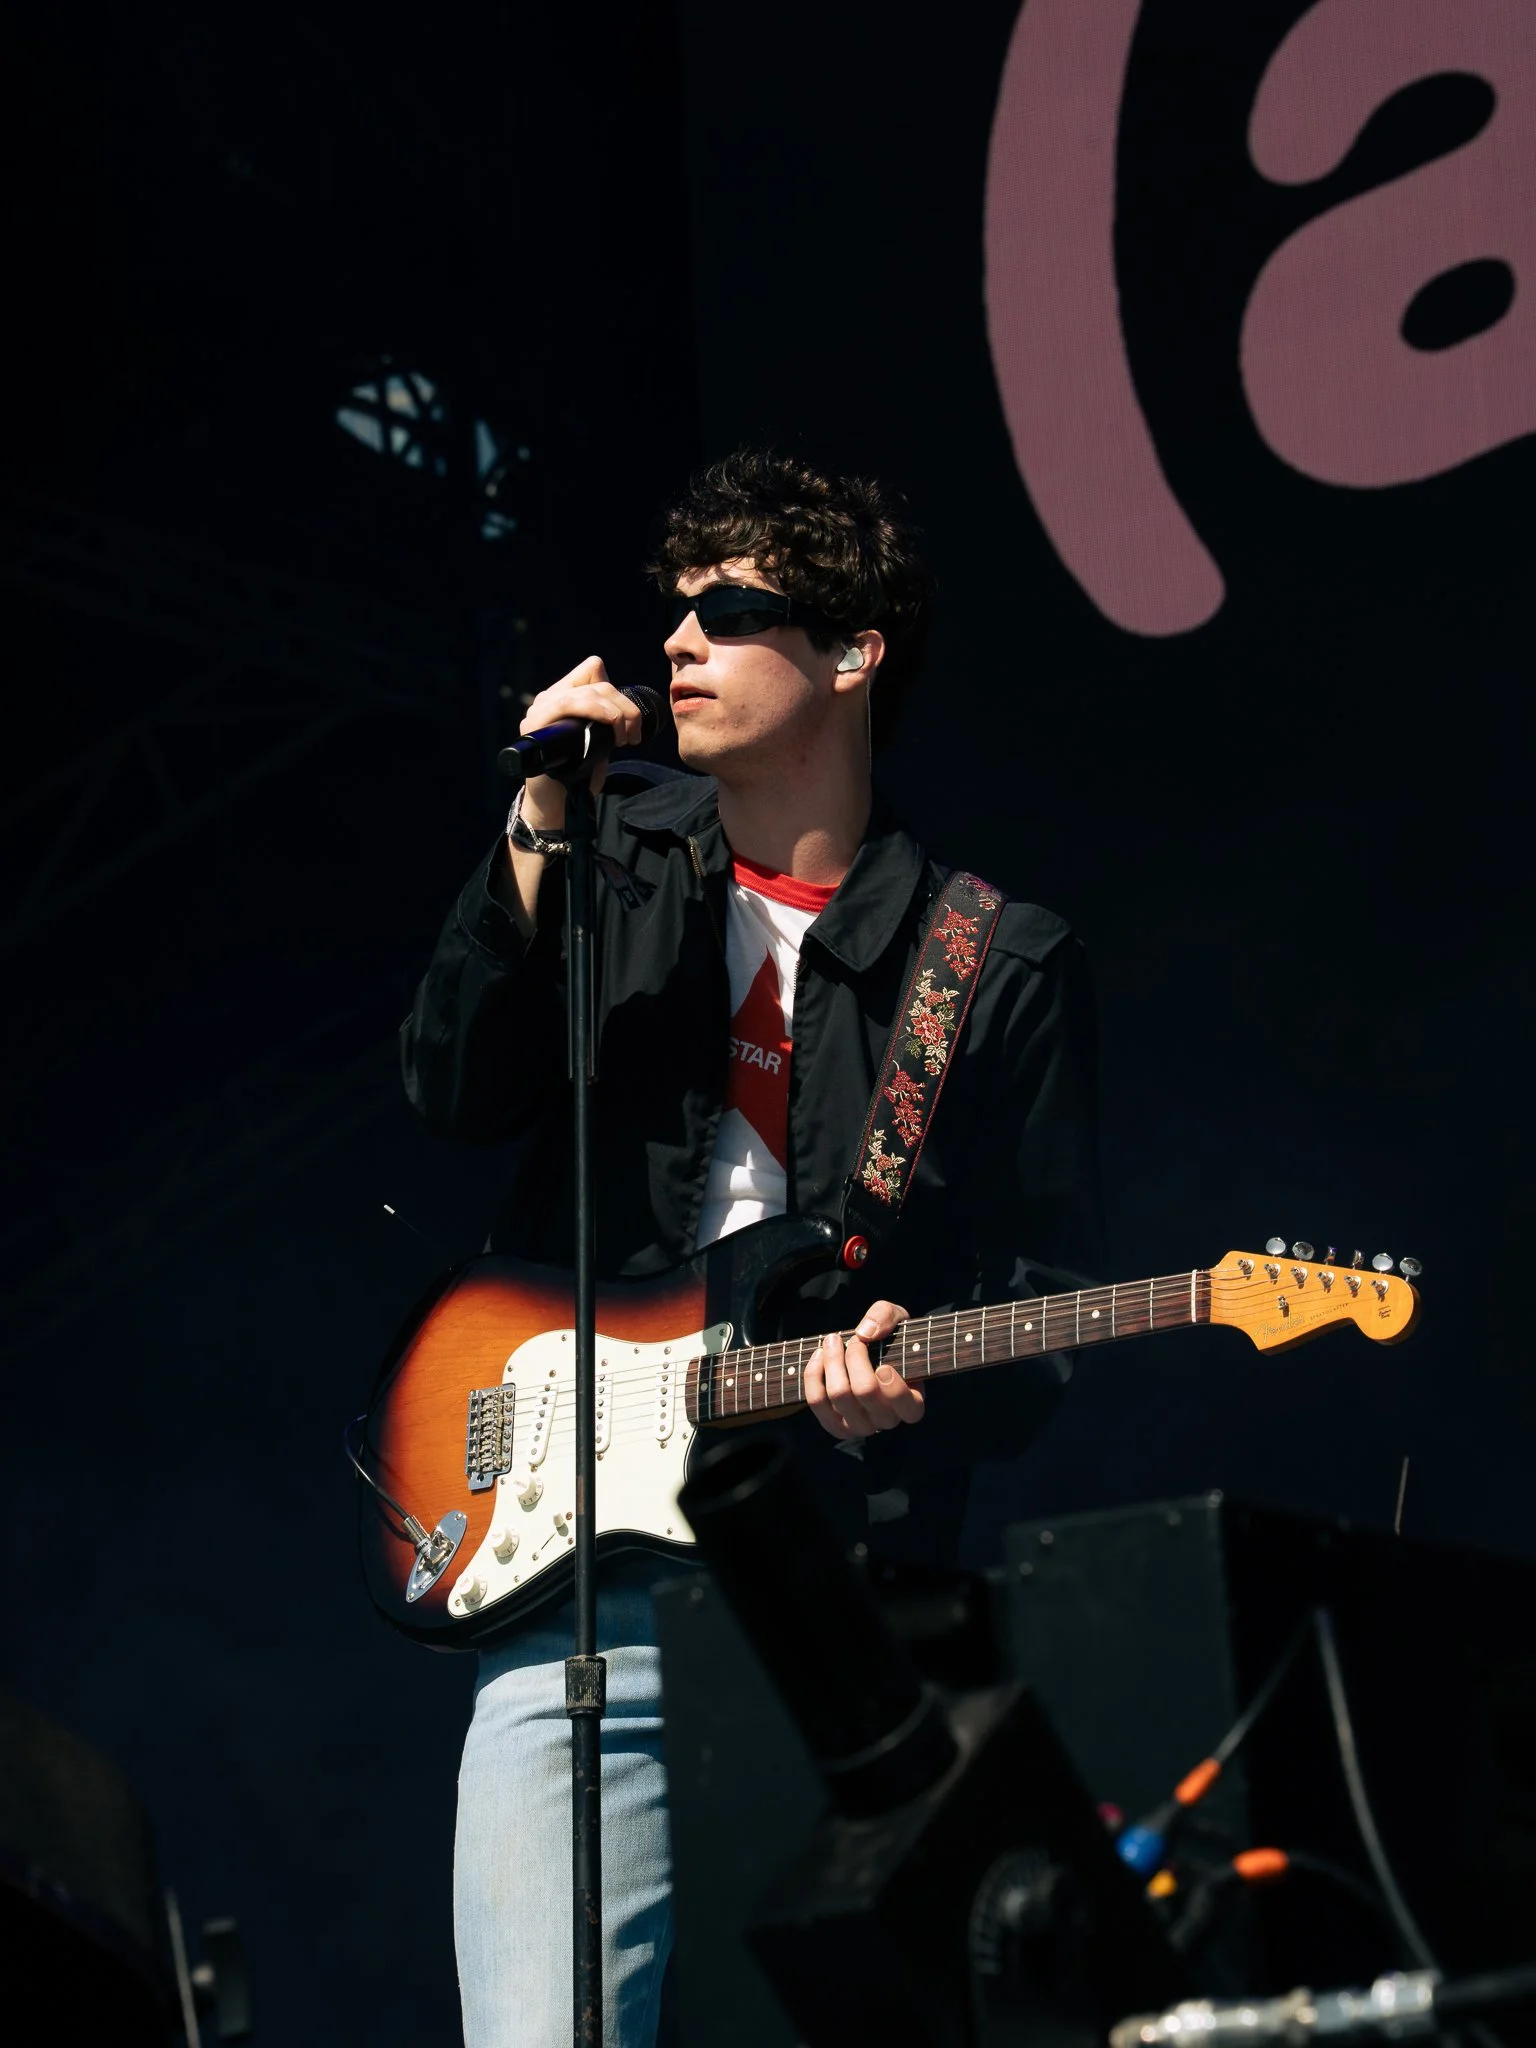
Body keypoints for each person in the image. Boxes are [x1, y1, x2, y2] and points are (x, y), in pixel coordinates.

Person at [400, 448, 1101, 2048]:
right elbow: (450, 1090)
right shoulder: (604, 849)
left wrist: (909, 1375)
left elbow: (1047, 1310)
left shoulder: (995, 966)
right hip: (586, 1599)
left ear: (854, 651)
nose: (678, 643)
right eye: (675, 610)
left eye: (729, 609)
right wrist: (534, 818)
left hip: (849, 1603)